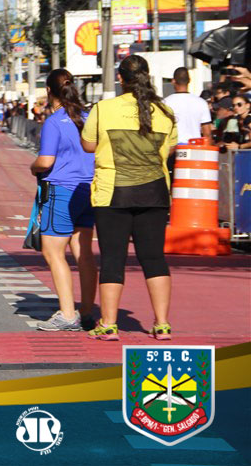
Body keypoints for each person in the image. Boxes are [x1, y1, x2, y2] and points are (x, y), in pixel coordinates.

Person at [81, 55, 177, 341]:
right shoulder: (165, 111)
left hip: (114, 193)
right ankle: (162, 324)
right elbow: (170, 149)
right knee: (154, 258)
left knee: (113, 258)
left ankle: (109, 324)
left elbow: (88, 145)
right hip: (155, 193)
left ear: (120, 78)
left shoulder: (103, 108)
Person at [30, 70, 98, 332]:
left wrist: (33, 167)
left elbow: (46, 161)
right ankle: (87, 312)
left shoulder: (54, 121)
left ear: (49, 91)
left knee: (53, 251)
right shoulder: (88, 117)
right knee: (83, 252)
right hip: (89, 188)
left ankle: (68, 314)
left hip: (62, 190)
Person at [164, 67, 212, 145]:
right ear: (189, 80)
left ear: (173, 81)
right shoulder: (201, 103)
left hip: (174, 147)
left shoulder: (165, 103)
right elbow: (207, 133)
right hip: (195, 147)